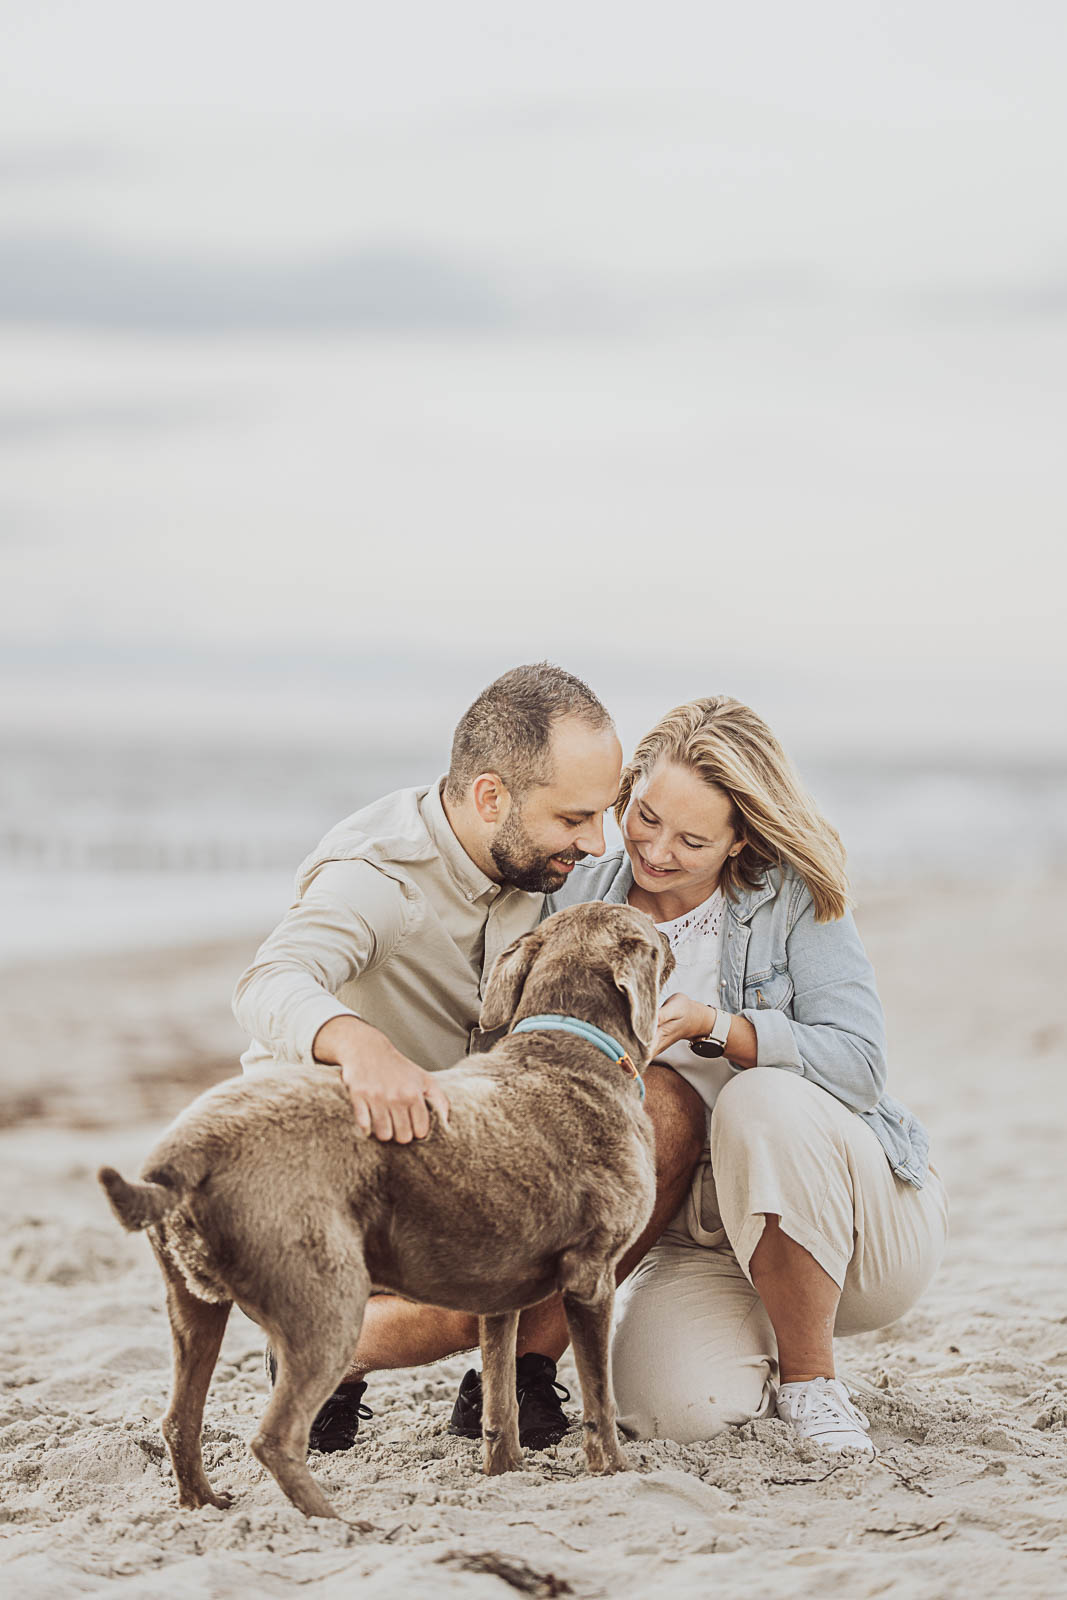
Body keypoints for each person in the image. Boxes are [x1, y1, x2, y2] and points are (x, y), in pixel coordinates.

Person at [233, 663, 705, 1453]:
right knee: (492, 1282)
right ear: (491, 798)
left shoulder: (537, 858)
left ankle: (517, 1370)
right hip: (340, 1173)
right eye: (575, 818)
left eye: (602, 815)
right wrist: (361, 1046)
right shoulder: (375, 876)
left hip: (472, 1141)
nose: (597, 843)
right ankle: (322, 1350)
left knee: (664, 1111)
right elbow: (269, 979)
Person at [547, 695, 948, 1454]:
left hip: (857, 1225)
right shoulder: (574, 897)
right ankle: (763, 1326)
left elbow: (860, 1065)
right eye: (644, 816)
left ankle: (811, 1382)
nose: (657, 850)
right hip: (700, 1234)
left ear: (738, 842)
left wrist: (717, 1028)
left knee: (756, 1098)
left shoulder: (791, 898)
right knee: (674, 1415)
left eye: (692, 838)